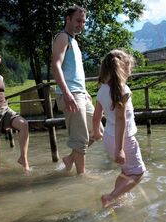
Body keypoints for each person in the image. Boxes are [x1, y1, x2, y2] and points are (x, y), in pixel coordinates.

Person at [52, 5, 102, 174]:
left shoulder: (74, 41)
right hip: (70, 94)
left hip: (80, 93)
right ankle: (82, 175)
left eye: (84, 21)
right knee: (81, 139)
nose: (82, 24)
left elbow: (73, 71)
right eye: (78, 20)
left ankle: (70, 158)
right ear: (68, 19)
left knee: (98, 131)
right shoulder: (62, 37)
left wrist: (84, 91)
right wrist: (66, 93)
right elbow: (56, 66)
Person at [93, 49, 146, 208]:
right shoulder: (123, 90)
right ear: (122, 68)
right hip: (124, 140)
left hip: (109, 138)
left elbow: (96, 117)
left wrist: (97, 132)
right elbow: (121, 119)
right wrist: (120, 149)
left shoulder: (102, 90)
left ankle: (115, 198)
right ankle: (111, 197)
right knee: (138, 173)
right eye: (129, 67)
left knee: (125, 172)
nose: (130, 71)